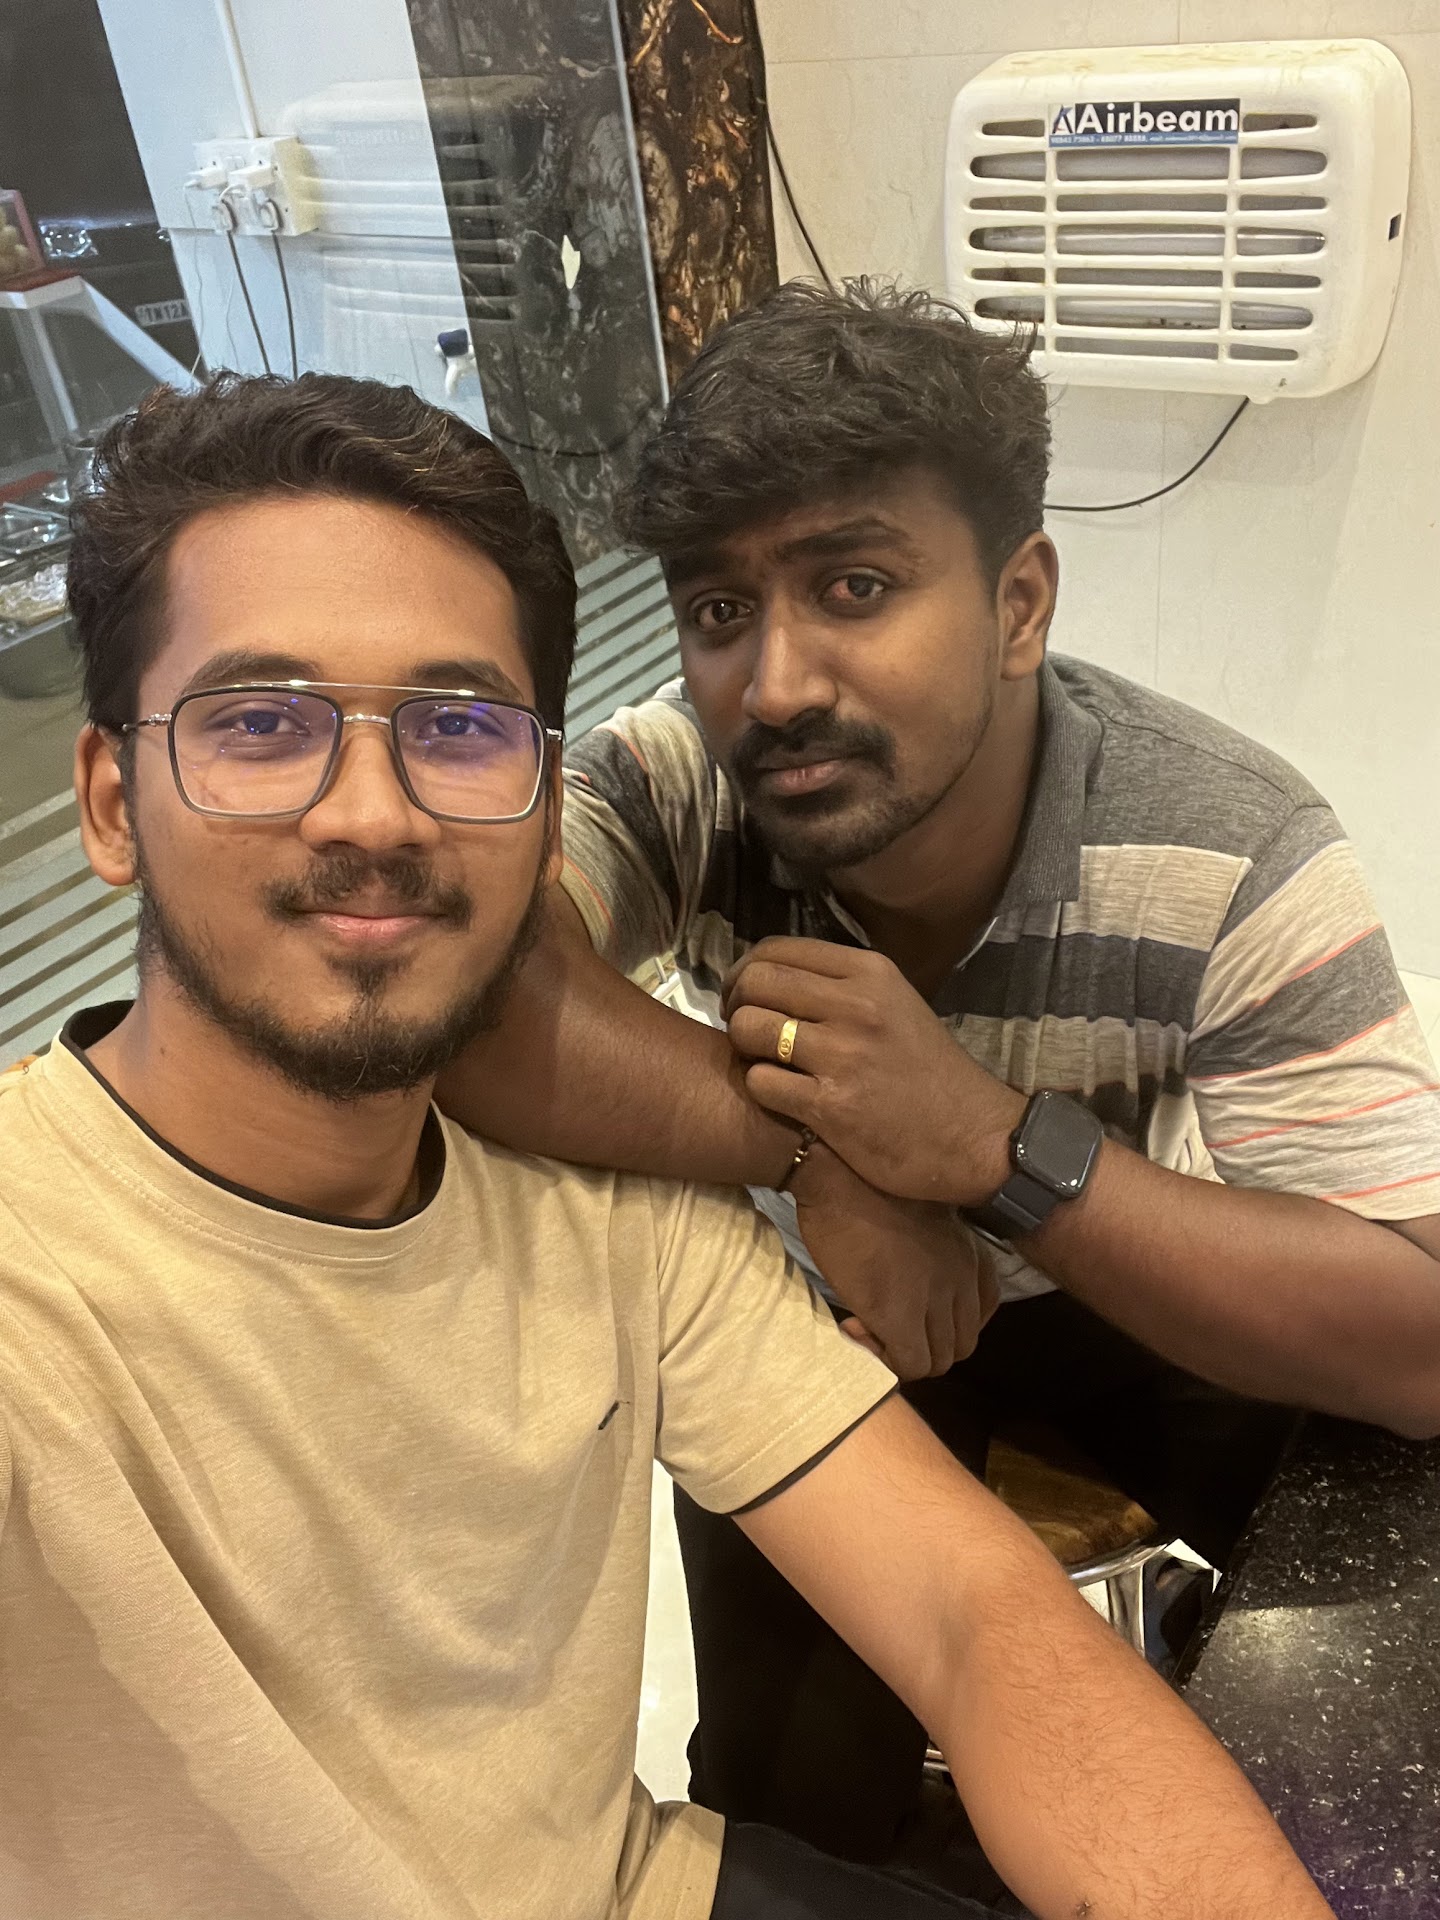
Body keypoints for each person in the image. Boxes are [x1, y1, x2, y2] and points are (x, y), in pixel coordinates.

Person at [0, 372, 1330, 1920]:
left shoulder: (612, 1209)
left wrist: (965, 1149)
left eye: (457, 727)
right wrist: (843, 1150)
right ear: (112, 802)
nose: (373, 813)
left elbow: (978, 1613)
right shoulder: (36, 1267)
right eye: (259, 722)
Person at [437, 280, 1440, 1864]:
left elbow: (1418, 1337)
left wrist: (988, 1146)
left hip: (1114, 1282)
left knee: (1374, 1704)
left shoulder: (1229, 844)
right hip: (824, 1315)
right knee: (786, 1806)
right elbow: (473, 998)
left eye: (854, 585)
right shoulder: (679, 778)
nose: (775, 685)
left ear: (1019, 604)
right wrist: (824, 1158)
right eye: (719, 611)